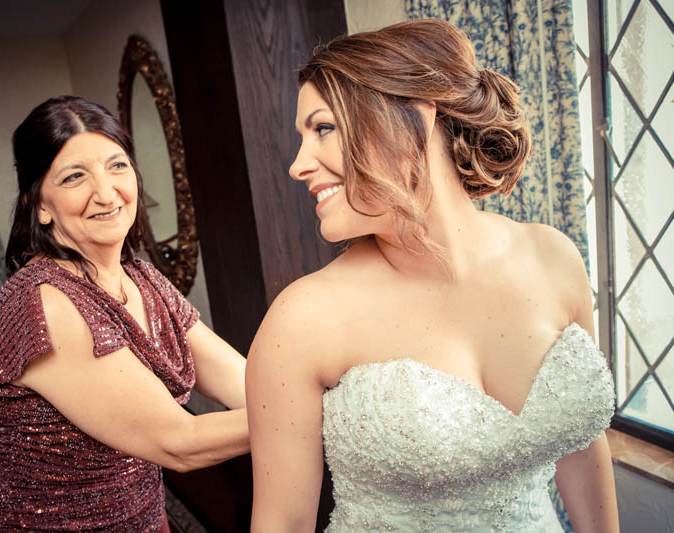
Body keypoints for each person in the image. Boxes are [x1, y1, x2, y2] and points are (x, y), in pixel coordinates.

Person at [246, 19, 618, 532]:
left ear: (417, 119)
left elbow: (582, 445)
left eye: (323, 128)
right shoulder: (301, 320)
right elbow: (283, 523)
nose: (298, 165)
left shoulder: (554, 258)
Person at [0, 96, 248, 532]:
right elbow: (180, 443)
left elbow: (244, 381)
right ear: (39, 204)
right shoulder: (44, 304)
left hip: (145, 520)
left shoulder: (141, 278)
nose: (106, 193)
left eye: (117, 166)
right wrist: (317, 414)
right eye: (74, 176)